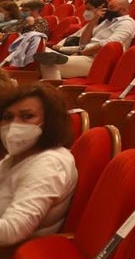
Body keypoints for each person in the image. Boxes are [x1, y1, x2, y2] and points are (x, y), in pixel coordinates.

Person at [0, 84, 79, 245]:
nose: (14, 125)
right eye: (8, 117)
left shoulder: (49, 164)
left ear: (49, 122)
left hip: (11, 253)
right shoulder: (17, 156)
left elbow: (12, 231)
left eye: (27, 116)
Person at [33, 0, 135, 80]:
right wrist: (94, 19)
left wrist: (86, 51)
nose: (107, 10)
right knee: (40, 52)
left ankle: (53, 94)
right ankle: (52, 89)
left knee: (48, 62)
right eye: (108, 7)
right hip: (84, 54)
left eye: (111, 8)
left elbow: (111, 43)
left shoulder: (127, 23)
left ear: (124, 10)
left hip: (98, 60)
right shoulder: (107, 21)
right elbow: (83, 42)